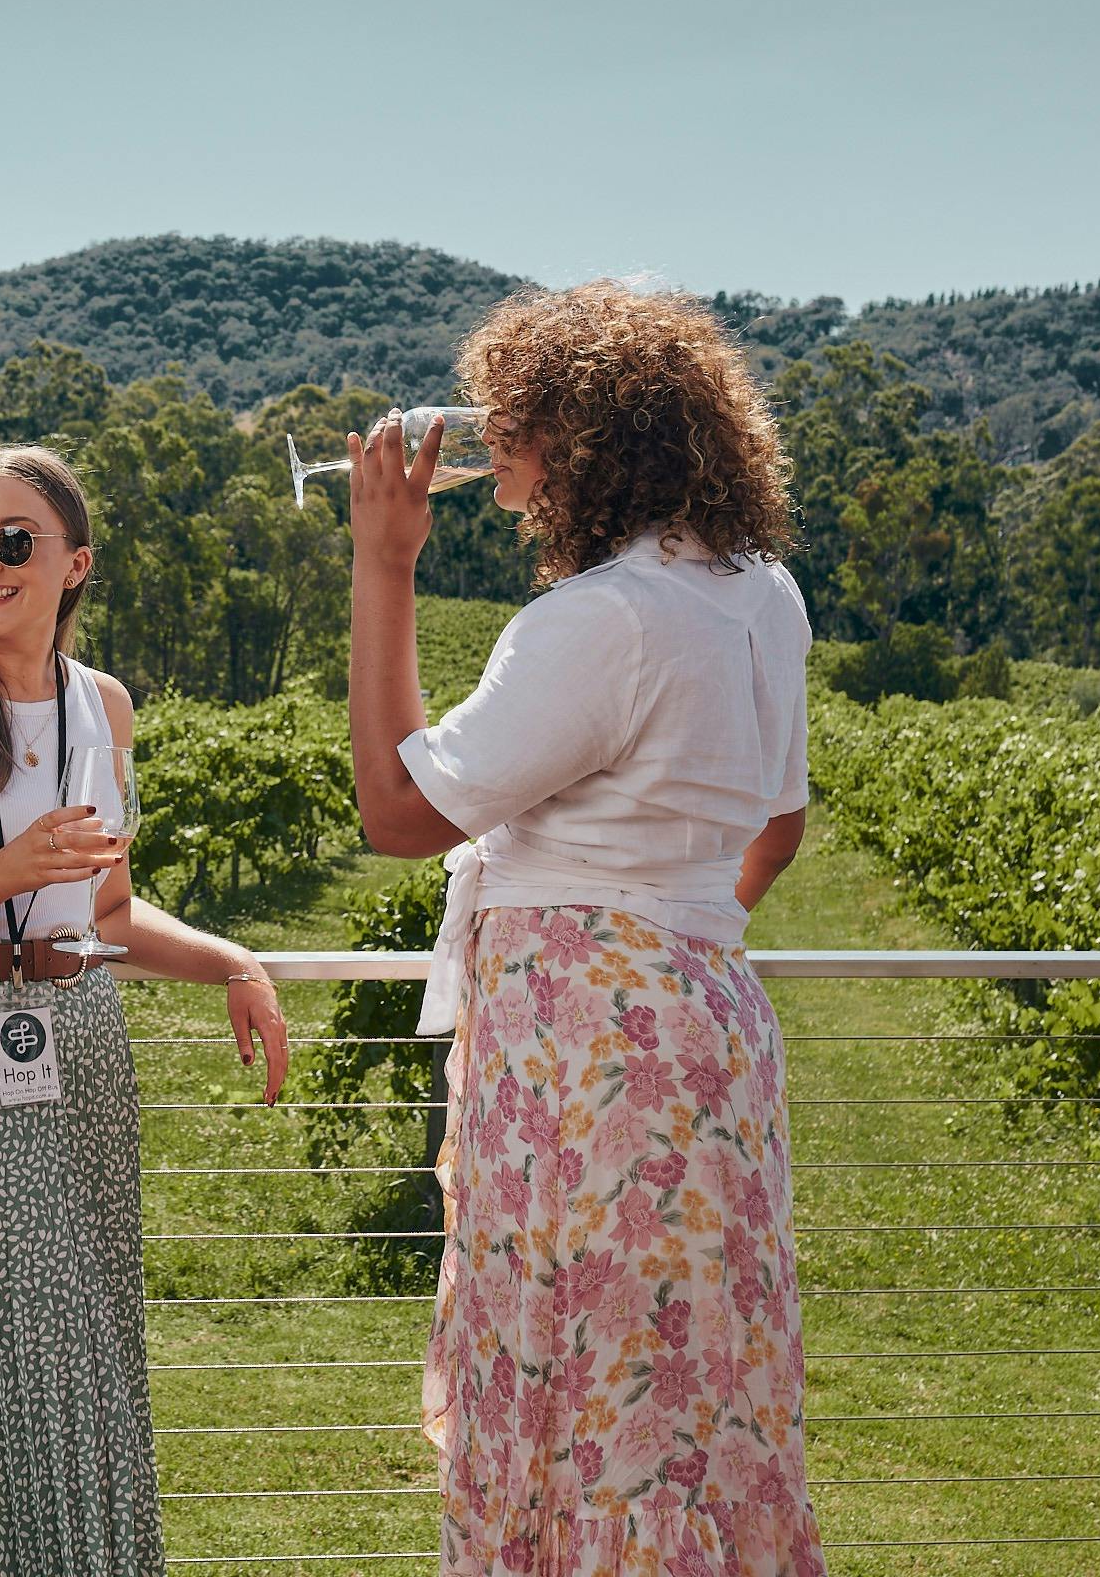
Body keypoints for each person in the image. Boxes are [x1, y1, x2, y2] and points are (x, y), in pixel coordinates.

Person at [343, 284, 829, 1575]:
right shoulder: (760, 593)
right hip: (708, 1028)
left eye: (519, 419)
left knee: (582, 1381)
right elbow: (777, 828)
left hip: (580, 1059)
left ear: (590, 437)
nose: (494, 442)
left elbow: (398, 813)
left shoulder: (599, 619)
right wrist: (669, 940)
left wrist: (382, 564)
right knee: (693, 1396)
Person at [0, 445, 291, 1577]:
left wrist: (232, 958)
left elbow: (110, 909)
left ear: (75, 562)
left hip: (77, 1048)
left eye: (13, 540)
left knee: (84, 1356)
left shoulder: (105, 707)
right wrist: (4, 868)